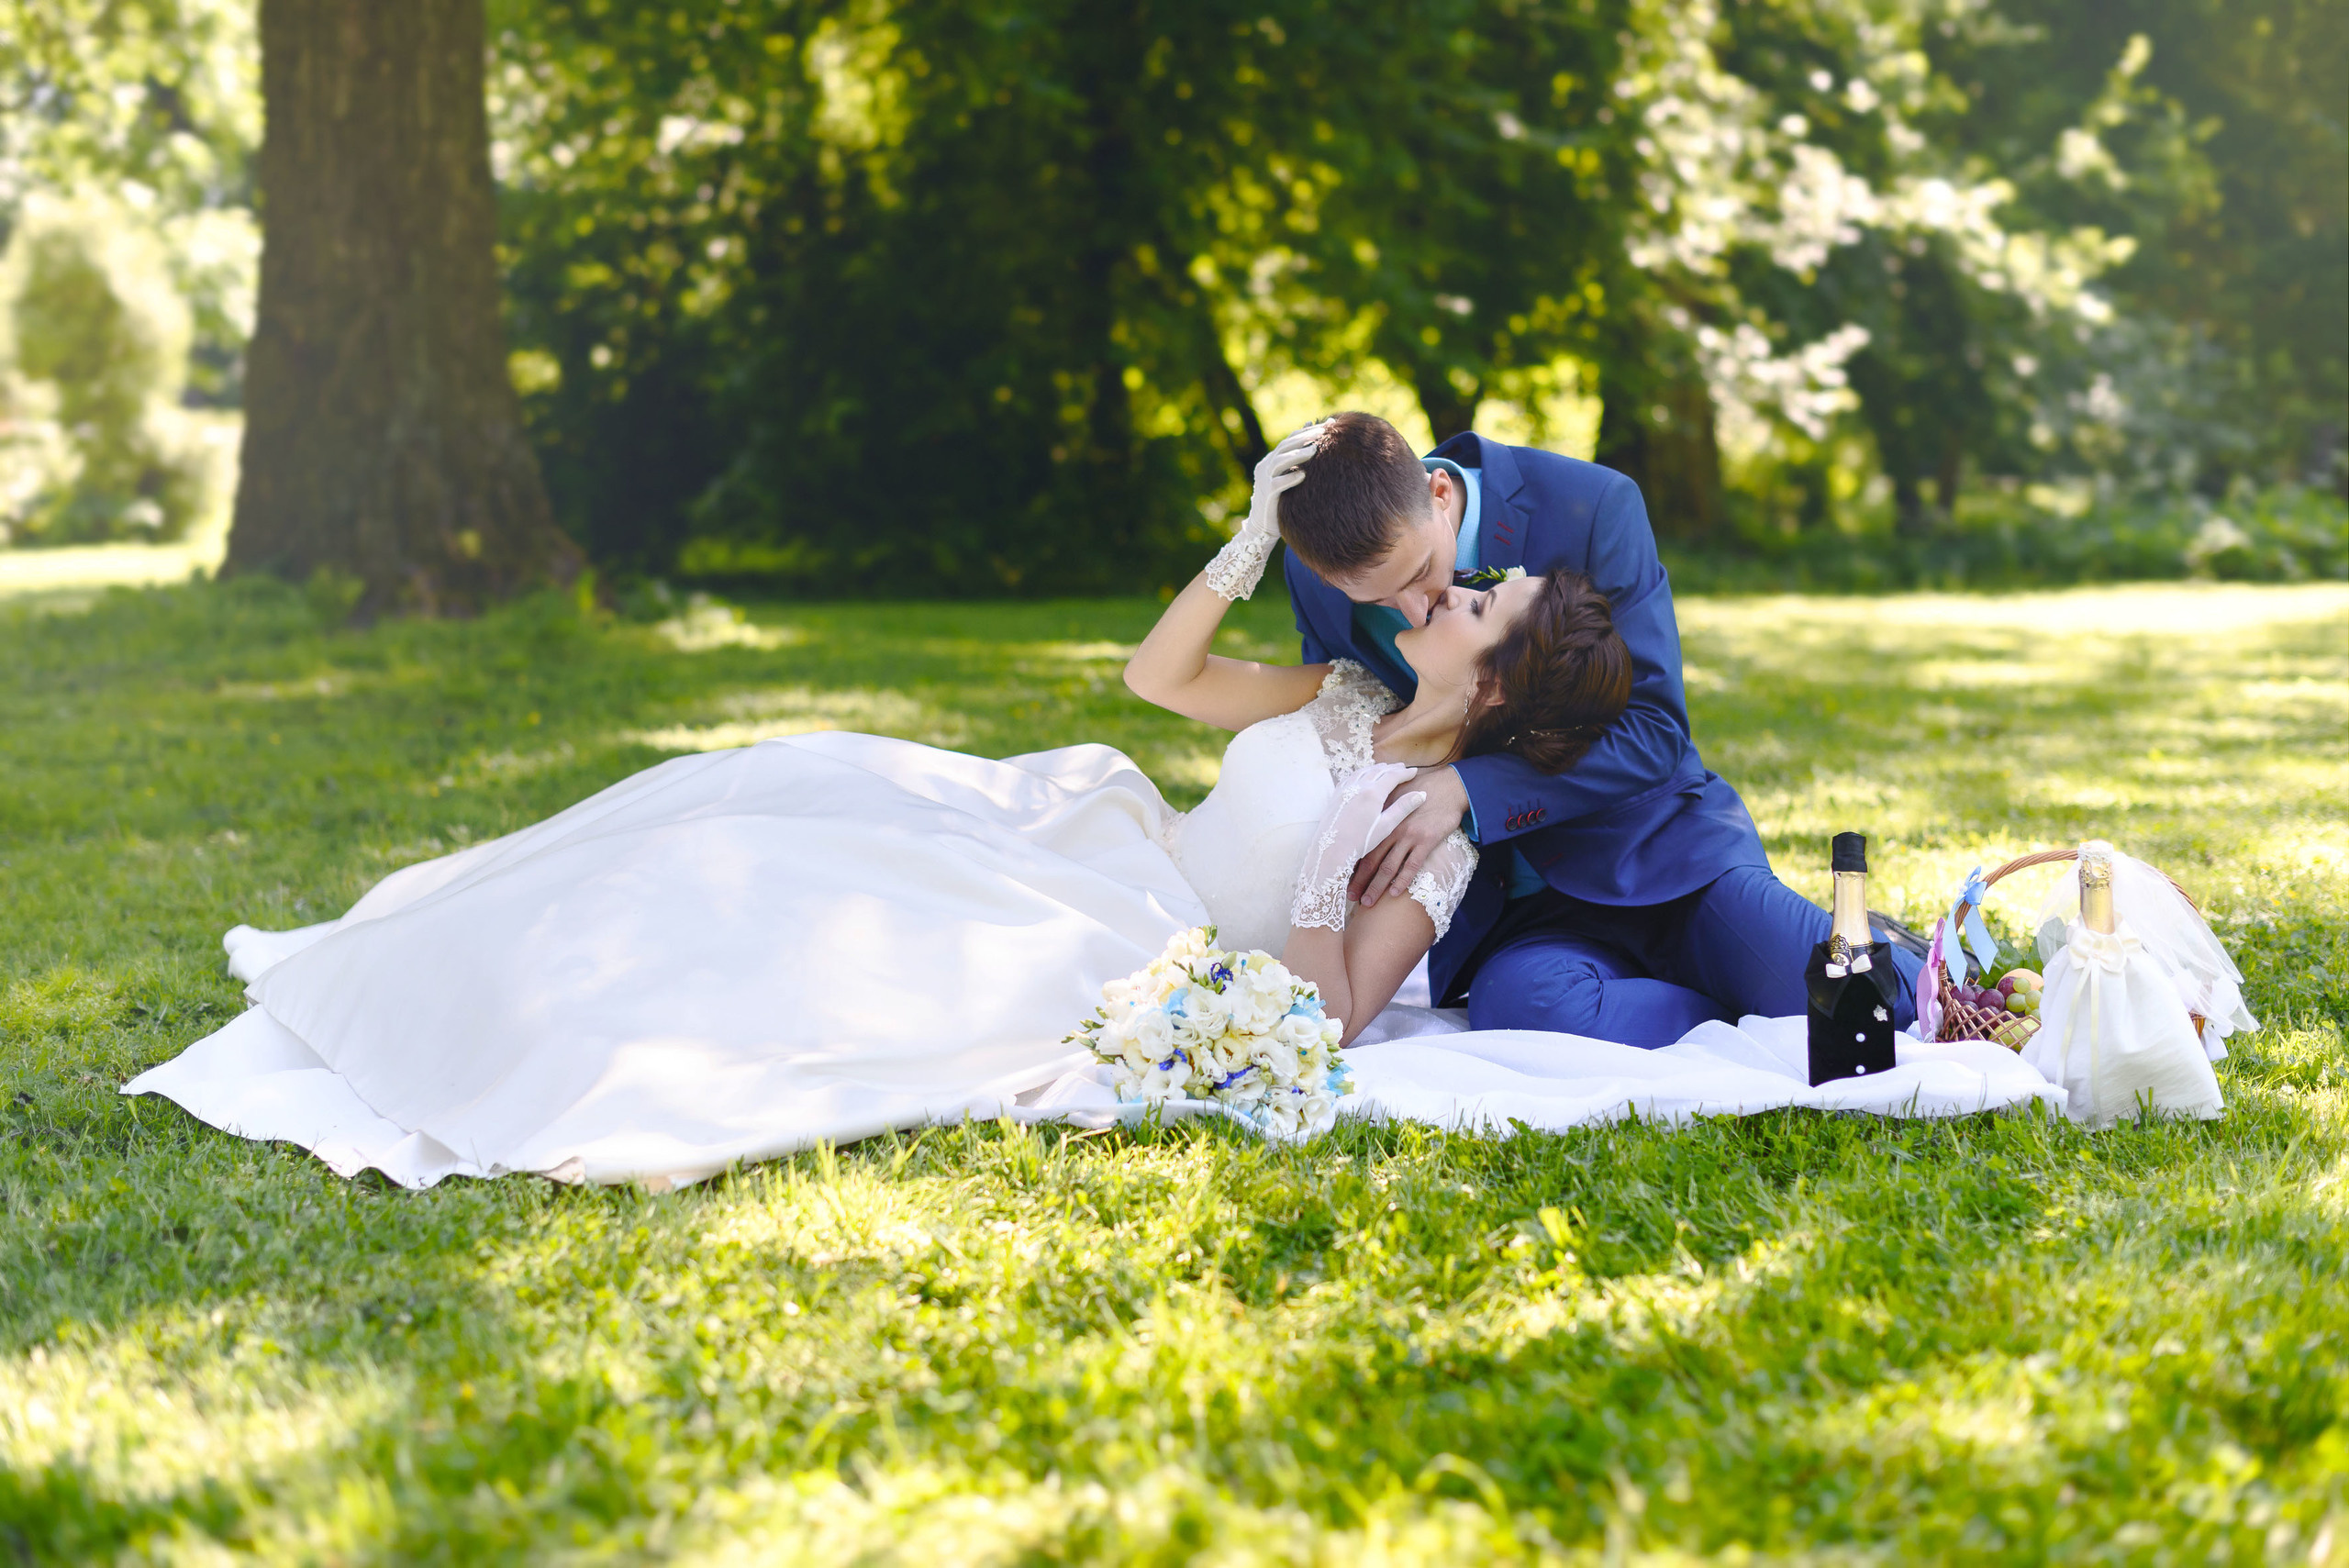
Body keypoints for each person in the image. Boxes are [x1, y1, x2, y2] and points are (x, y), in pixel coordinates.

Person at [124, 426, 1632, 1188]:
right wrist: (1247, 534)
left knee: (780, 910)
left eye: (1477, 607)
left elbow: (1337, 1020)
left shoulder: (1432, 832)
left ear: (1491, 693)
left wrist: (1339, 869)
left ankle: (543, 1037)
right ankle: (433, 961)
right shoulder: (1336, 694)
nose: (1459, 583)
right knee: (761, 797)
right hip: (1096, 837)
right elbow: (1158, 676)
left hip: (1128, 934)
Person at [1275, 411, 1924, 1047]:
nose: (1412, 611)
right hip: (1520, 919)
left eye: (1419, 576)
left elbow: (1654, 728)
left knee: (1870, 1001)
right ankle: (1727, 998)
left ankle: (1863, 953)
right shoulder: (1328, 572)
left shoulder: (1592, 504)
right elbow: (1334, 719)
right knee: (1521, 1006)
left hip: (1663, 862)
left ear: (1440, 495)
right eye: (1380, 603)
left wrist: (1470, 790)